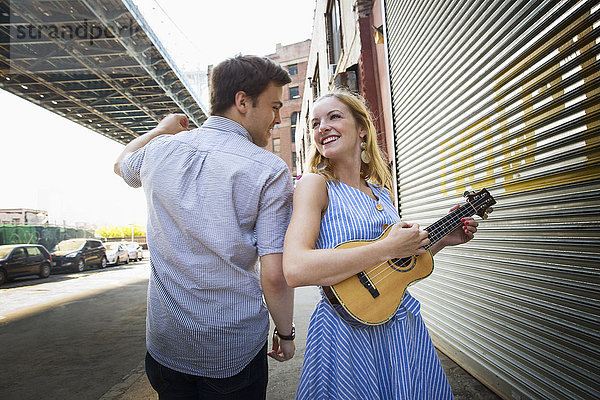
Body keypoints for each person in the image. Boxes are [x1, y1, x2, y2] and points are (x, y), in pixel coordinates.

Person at [114, 55, 296, 399]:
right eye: (273, 106)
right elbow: (274, 274)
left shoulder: (159, 151)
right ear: (242, 101)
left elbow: (121, 165)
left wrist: (160, 130)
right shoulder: (269, 170)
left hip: (166, 348)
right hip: (233, 350)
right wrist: (285, 333)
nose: (277, 117)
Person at [282, 88, 478, 399]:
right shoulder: (315, 185)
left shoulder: (381, 193)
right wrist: (386, 247)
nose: (323, 128)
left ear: (362, 128)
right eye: (316, 123)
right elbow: (295, 268)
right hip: (347, 333)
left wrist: (441, 241)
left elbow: (394, 268)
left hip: (400, 327)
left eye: (334, 117)